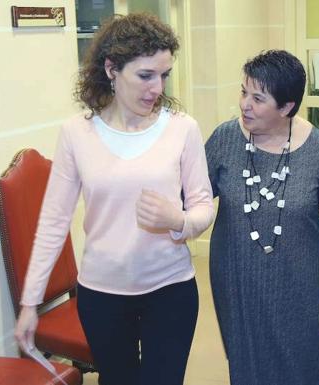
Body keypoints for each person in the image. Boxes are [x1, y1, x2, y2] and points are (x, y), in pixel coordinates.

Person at [14, 13, 214, 385]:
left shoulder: (182, 128)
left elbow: (204, 206)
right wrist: (30, 303)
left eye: (164, 74)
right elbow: (54, 222)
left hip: (170, 291)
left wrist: (179, 221)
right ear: (111, 68)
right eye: (145, 75)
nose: (157, 87)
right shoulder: (76, 133)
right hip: (103, 294)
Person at [204, 50, 319, 385]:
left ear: (287, 107)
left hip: (300, 280)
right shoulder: (225, 139)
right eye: (243, 92)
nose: (244, 104)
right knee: (248, 363)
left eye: (257, 98)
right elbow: (191, 197)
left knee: (303, 358)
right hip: (238, 278)